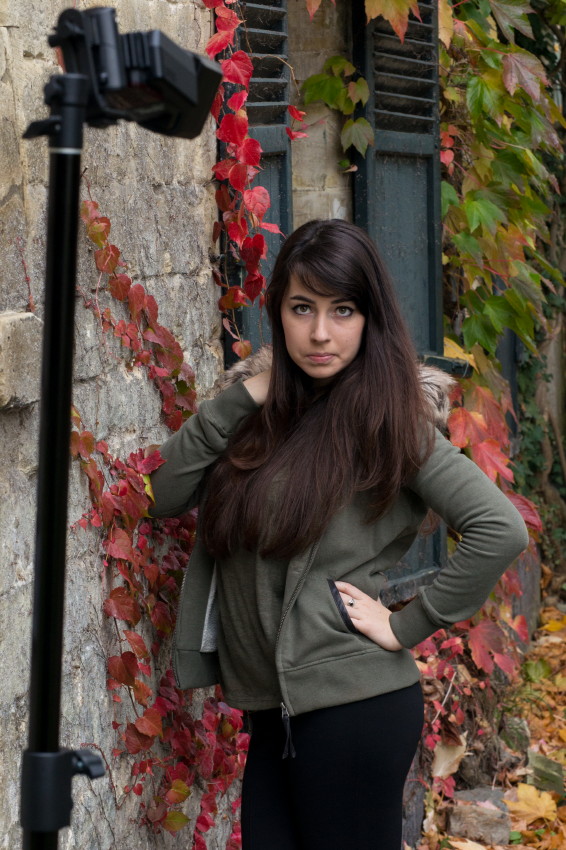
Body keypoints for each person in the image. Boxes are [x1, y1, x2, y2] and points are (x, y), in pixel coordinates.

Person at [149, 219, 529, 850]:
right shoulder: (259, 415)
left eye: (342, 310)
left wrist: (406, 625)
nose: (320, 332)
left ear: (369, 318)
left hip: (354, 708)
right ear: (278, 312)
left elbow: (499, 527)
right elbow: (161, 495)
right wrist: (247, 396)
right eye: (302, 308)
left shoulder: (389, 420)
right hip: (276, 711)